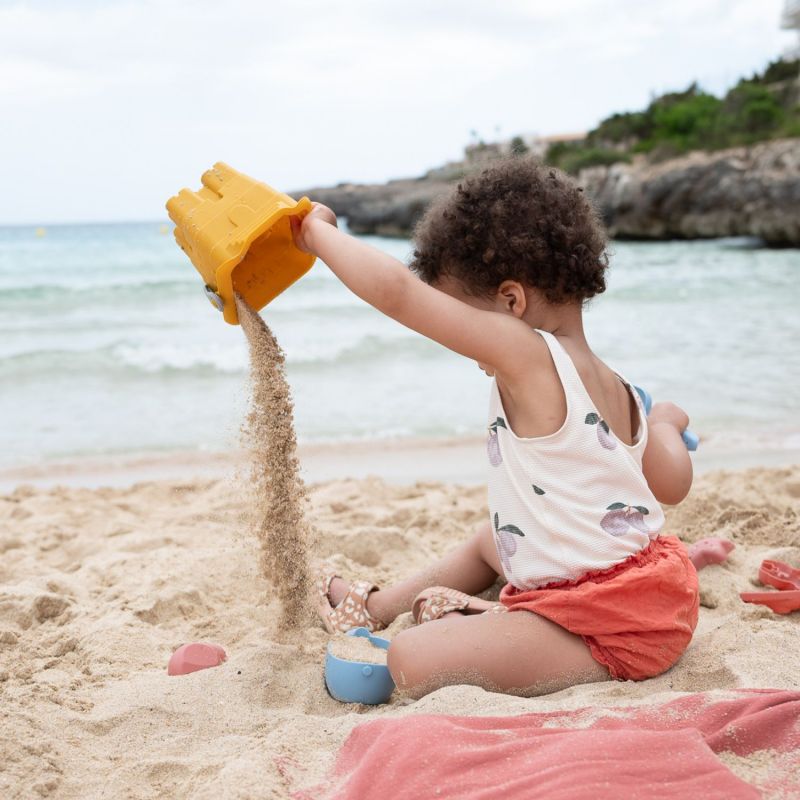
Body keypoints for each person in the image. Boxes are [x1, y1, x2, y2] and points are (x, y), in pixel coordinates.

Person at [290, 158, 702, 700]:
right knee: (494, 540)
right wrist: (663, 423)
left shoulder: (528, 354)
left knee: (411, 660)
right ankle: (379, 607)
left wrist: (318, 233)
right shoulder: (621, 389)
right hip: (659, 597)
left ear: (512, 302)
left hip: (608, 627)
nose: (468, 344)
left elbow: (399, 294)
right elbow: (671, 485)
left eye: (466, 316)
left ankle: (488, 624)